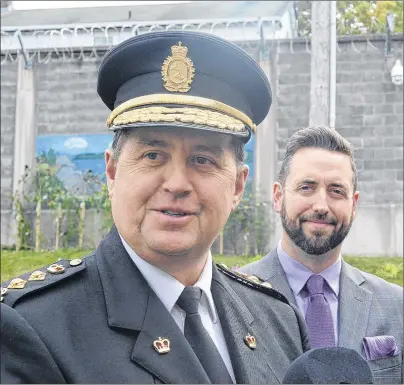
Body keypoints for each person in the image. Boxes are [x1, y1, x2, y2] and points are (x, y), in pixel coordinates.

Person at [1, 31, 310, 384]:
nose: (176, 183)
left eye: (202, 159)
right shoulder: (34, 325)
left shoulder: (276, 316)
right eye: (153, 155)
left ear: (238, 185)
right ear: (113, 172)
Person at [240, 125, 403, 384]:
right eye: (306, 187)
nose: (320, 206)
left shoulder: (396, 305)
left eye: (336, 191)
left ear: (354, 204)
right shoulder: (231, 298)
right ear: (278, 197)